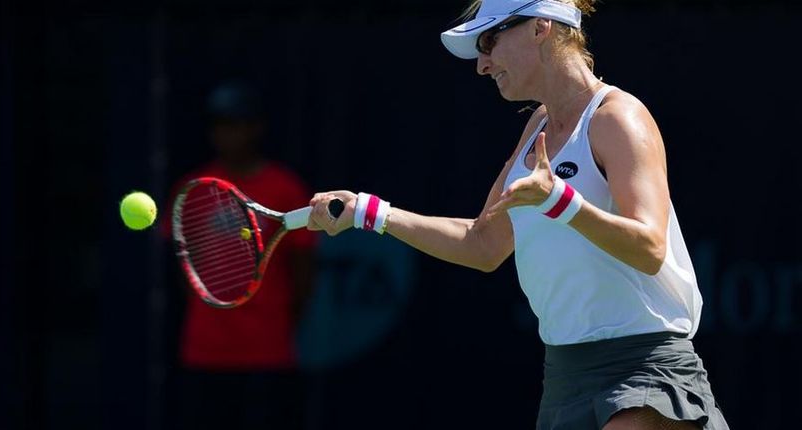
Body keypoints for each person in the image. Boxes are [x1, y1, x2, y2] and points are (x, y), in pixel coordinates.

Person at [306, 1, 729, 429]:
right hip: (565, 378)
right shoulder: (537, 129)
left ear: (540, 28)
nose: (482, 65)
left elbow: (650, 248)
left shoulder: (617, 118)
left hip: (645, 370)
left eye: (489, 42)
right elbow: (483, 244)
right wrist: (372, 214)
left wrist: (559, 202)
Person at [164, 80, 317, 430]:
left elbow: (304, 271)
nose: (225, 134)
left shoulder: (286, 187)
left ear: (256, 127)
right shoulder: (193, 187)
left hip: (268, 353)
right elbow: (184, 263)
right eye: (218, 125)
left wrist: (280, 322)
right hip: (204, 352)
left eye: (235, 124)